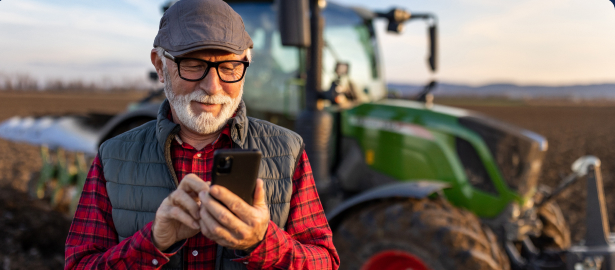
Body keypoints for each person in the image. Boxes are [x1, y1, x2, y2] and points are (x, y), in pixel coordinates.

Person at [64, 0, 340, 269]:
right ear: (160, 66)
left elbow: (325, 262)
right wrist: (152, 243)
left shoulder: (287, 150)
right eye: (194, 65)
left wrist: (263, 242)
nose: (212, 86)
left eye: (229, 67)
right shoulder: (114, 156)